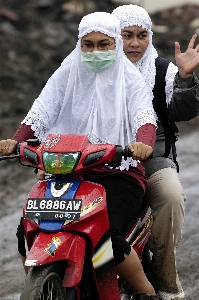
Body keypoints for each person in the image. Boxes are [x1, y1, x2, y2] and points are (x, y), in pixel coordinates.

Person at [0, 12, 162, 300]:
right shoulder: (67, 71)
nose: (95, 51)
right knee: (33, 223)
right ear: (79, 44)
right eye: (88, 44)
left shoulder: (130, 78)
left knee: (105, 237)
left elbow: (144, 116)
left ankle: (145, 291)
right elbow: (42, 110)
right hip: (67, 169)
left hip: (118, 170)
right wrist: (16, 140)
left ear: (115, 44)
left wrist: (142, 143)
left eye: (104, 44)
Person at [112, 4, 199, 300]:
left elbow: (182, 111)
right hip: (98, 161)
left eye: (142, 35)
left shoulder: (162, 70)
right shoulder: (92, 68)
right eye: (126, 35)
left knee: (171, 196)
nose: (135, 43)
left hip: (152, 158)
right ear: (113, 35)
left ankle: (164, 281)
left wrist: (186, 78)